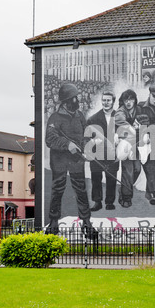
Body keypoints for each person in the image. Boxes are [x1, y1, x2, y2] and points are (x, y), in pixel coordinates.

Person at [45, 83, 97, 240]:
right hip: (59, 160)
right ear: (67, 100)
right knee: (57, 189)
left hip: (76, 159)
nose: (77, 100)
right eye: (74, 98)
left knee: (81, 190)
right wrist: (67, 144)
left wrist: (88, 144)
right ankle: (53, 222)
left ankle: (86, 223)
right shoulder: (55, 117)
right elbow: (50, 138)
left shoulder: (80, 115)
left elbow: (85, 134)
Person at [115, 89, 148, 208]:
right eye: (126, 100)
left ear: (135, 100)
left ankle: (124, 188)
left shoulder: (138, 109)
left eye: (131, 99)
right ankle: (126, 197)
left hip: (138, 144)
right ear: (123, 101)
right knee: (128, 171)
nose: (128, 102)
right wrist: (132, 128)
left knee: (137, 170)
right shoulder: (120, 111)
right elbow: (119, 120)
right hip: (126, 144)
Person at [86, 90, 119, 211]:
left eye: (108, 100)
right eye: (104, 100)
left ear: (113, 102)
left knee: (111, 178)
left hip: (113, 153)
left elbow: (127, 132)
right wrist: (93, 142)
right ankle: (97, 202)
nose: (106, 103)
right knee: (96, 178)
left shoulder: (119, 117)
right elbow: (86, 137)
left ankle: (110, 202)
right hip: (97, 153)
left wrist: (119, 137)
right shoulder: (93, 119)